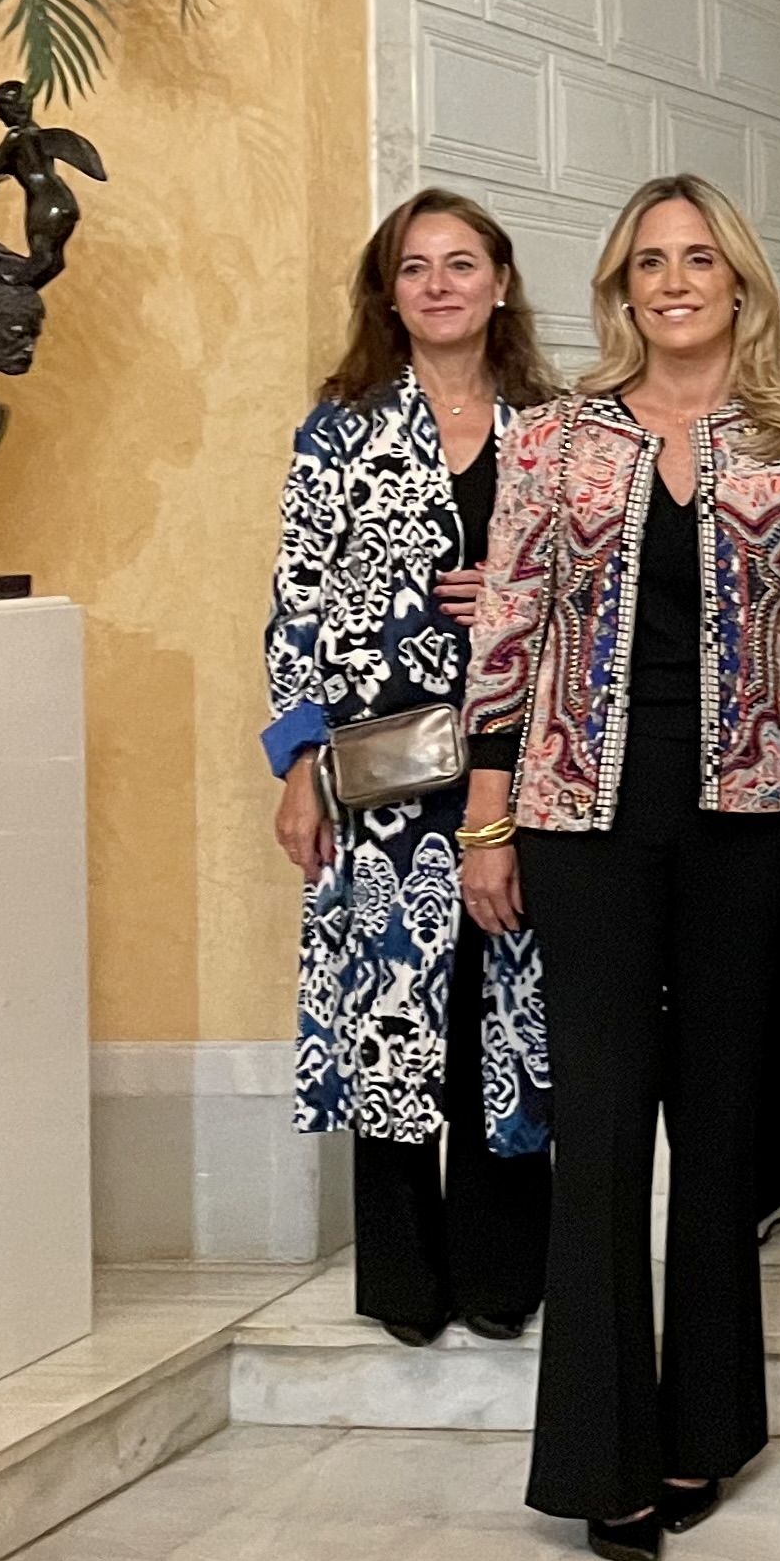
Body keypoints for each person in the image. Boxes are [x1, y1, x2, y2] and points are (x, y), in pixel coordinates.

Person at [458, 176, 780, 1561]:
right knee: (605, 1128)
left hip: (753, 816)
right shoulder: (556, 437)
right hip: (583, 820)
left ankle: (705, 1431)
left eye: (698, 259)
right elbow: (509, 625)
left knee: (725, 1128)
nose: (675, 281)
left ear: (740, 283)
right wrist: (488, 814)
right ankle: (599, 1454)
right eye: (649, 263)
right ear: (620, 289)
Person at [264, 190, 557, 1348]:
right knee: (389, 1017)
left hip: (517, 766)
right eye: (416, 267)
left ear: (500, 282)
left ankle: (502, 1271)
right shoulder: (338, 427)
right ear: (389, 294)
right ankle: (401, 1278)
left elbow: (601, 587)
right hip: (380, 780)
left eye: (461, 263)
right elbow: (296, 599)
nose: (440, 285)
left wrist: (517, 599)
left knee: (507, 1012)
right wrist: (298, 763)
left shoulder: (555, 428)